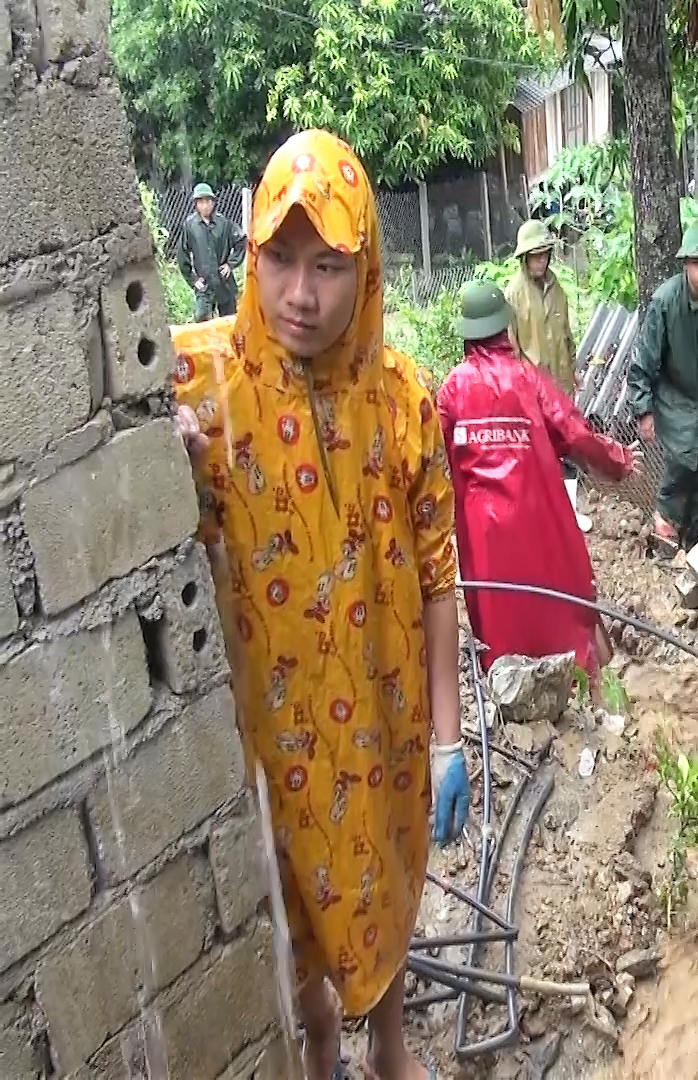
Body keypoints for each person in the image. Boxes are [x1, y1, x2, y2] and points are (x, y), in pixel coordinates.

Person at [171, 130, 465, 1080]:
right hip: (272, 728)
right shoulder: (207, 386)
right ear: (250, 259)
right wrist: (149, 438)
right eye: (280, 260)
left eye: (330, 266)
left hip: (382, 718)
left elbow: (436, 577)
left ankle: (387, 1045)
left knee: (383, 884)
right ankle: (322, 1050)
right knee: (292, 914)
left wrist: (450, 737)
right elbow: (92, 407)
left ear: (365, 265)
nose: (301, 294)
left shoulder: (404, 401)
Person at [438, 281, 634, 685]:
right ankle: (579, 676)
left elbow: (430, 457)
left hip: (483, 528)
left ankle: (506, 685)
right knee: (558, 597)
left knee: (498, 611)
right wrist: (618, 461)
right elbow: (574, 433)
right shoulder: (528, 379)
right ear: (505, 327)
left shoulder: (452, 390)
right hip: (536, 513)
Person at [627, 223, 698, 552]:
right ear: (685, 265)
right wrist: (643, 409)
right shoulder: (665, 302)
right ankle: (664, 539)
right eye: (696, 264)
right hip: (674, 398)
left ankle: (691, 542)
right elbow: (644, 358)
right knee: (680, 468)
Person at [506, 219, 578, 396]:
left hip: (563, 388)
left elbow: (566, 334)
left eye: (545, 255)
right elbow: (510, 350)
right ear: (525, 257)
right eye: (536, 256)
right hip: (534, 391)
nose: (542, 261)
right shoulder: (513, 295)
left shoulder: (556, 289)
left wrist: (573, 371)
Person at [176, 182, 246, 322]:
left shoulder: (223, 223)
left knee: (230, 323)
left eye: (208, 201)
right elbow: (182, 254)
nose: (205, 205)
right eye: (201, 201)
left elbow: (241, 240)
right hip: (204, 285)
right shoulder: (190, 226)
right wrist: (193, 279)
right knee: (201, 321)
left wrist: (230, 264)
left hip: (224, 282)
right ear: (196, 204)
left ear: (213, 203)